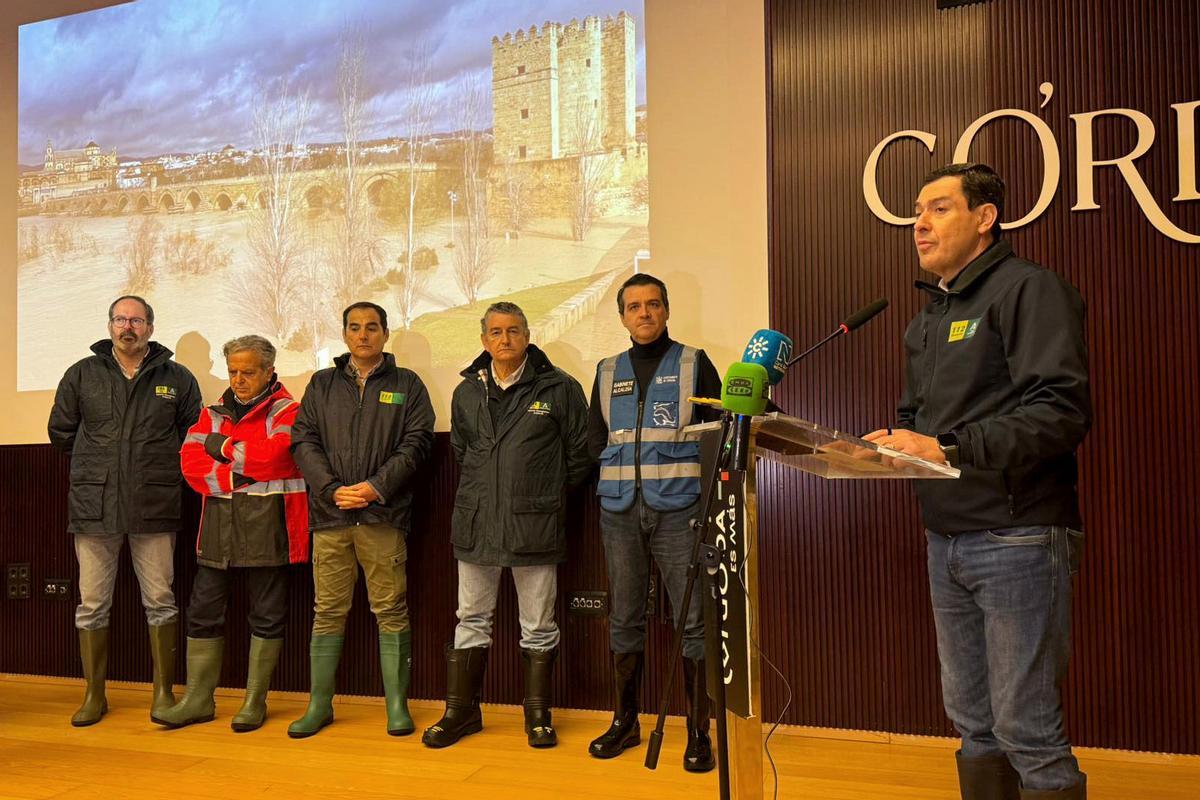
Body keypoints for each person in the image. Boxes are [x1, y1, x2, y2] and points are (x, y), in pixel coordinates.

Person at [864, 163, 1091, 800]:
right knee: (973, 724)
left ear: (985, 217)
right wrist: (890, 447)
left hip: (1018, 534)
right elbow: (917, 418)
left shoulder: (1029, 290)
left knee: (1026, 729)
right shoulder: (928, 318)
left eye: (938, 208)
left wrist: (945, 446)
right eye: (916, 211)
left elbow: (1060, 412)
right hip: (946, 536)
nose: (919, 223)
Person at [422, 302, 590, 750]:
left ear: (528, 336)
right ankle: (461, 713)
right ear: (484, 340)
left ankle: (538, 717)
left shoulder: (560, 388)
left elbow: (580, 454)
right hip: (476, 523)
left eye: (513, 330)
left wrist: (542, 495)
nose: (505, 339)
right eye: (495, 332)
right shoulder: (467, 391)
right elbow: (463, 452)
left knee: (538, 624)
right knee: (470, 619)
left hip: (534, 524)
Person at [587, 273, 723, 772]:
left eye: (652, 304)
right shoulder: (606, 370)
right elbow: (594, 439)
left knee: (693, 620)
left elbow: (717, 431)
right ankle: (625, 722)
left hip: (680, 512)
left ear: (666, 310)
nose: (644, 313)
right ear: (622, 316)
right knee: (624, 617)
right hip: (619, 512)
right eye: (634, 306)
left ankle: (698, 733)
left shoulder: (693, 363)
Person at [47, 295, 201, 726]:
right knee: (92, 604)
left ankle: (163, 694)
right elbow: (61, 432)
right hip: (94, 505)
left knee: (161, 602)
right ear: (110, 326)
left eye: (135, 320)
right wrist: (99, 466)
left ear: (150, 327)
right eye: (120, 319)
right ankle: (94, 695)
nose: (127, 327)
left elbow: (192, 435)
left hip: (155, 502)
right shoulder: (81, 374)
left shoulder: (177, 377)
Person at [288, 301, 435, 738]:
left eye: (372, 327)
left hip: (382, 514)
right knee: (327, 611)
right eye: (355, 327)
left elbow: (417, 443)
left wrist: (375, 487)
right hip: (330, 517)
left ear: (386, 333)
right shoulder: (321, 383)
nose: (363, 335)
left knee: (390, 610)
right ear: (345, 334)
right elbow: (303, 441)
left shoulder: (407, 384)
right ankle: (319, 706)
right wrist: (332, 488)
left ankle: (397, 707)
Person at [153, 335, 307, 732]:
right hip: (218, 527)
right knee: (202, 612)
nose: (238, 379)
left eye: (248, 372)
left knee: (267, 616)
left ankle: (255, 701)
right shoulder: (211, 413)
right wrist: (238, 473)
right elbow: (190, 464)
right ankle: (198, 700)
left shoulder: (289, 410)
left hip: (270, 525)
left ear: (269, 372)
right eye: (233, 371)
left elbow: (276, 457)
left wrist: (220, 448)